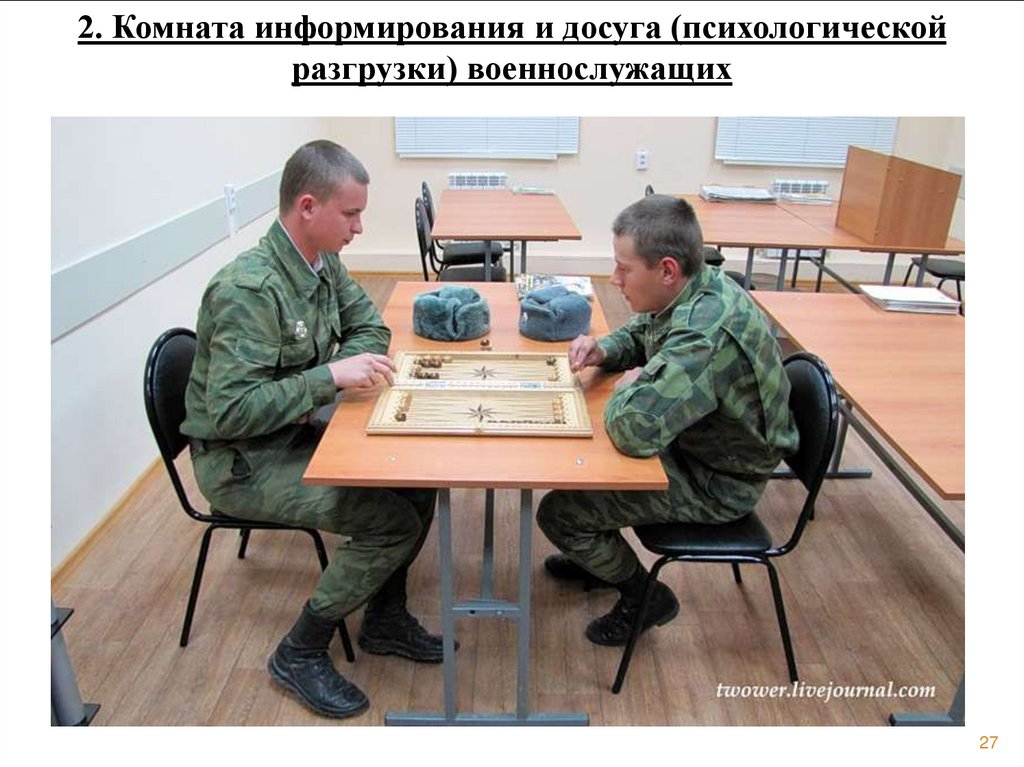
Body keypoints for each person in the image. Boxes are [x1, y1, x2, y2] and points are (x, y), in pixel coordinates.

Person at [181, 140, 443, 720]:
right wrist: (327, 378)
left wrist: (330, 379)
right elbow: (232, 412)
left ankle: (385, 618)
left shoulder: (321, 262)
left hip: (295, 432)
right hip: (242, 462)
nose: (359, 227)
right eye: (350, 213)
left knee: (417, 479)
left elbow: (370, 328)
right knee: (391, 524)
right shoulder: (249, 290)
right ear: (307, 207)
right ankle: (299, 650)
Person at [537, 194, 799, 647]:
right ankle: (599, 560)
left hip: (718, 482)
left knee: (561, 513)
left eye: (624, 268)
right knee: (588, 465)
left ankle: (645, 597)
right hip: (697, 446)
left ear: (667, 270)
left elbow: (635, 431)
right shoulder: (699, 287)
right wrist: (605, 349)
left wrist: (631, 386)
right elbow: (646, 330)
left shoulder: (704, 336)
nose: (614, 278)